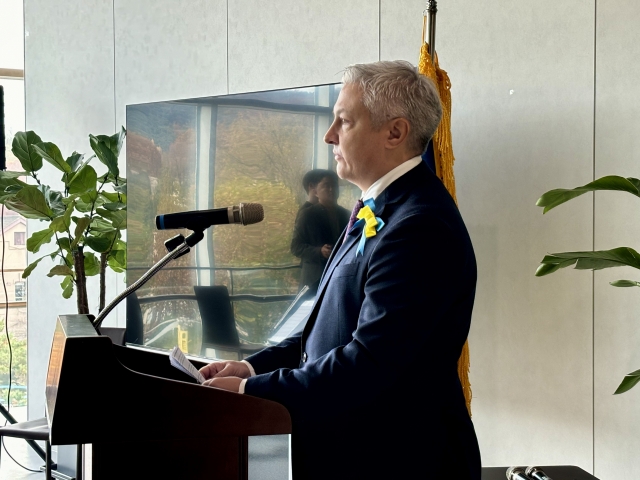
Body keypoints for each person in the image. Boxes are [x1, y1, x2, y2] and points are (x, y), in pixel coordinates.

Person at [200, 60, 481, 479]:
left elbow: (368, 362)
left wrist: (248, 392)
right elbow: (325, 329)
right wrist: (253, 366)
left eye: (343, 121)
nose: (329, 134)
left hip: (399, 460)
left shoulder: (420, 224)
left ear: (395, 132)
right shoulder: (377, 206)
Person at [290, 169, 350, 291]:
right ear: (315, 191)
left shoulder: (347, 214)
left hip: (339, 278)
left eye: (334, 185)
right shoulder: (307, 214)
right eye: (326, 185)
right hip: (314, 280)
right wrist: (319, 251)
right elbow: (295, 247)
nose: (331, 189)